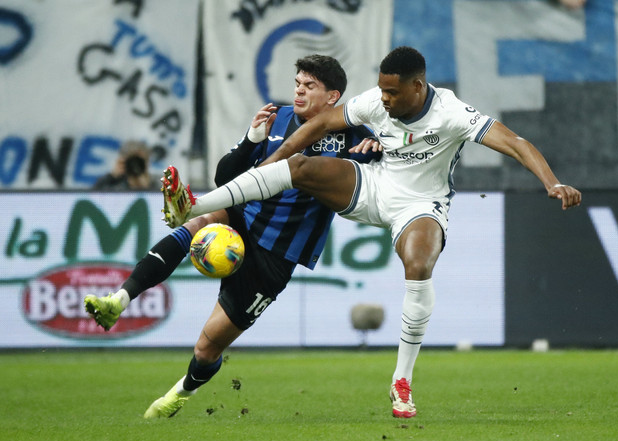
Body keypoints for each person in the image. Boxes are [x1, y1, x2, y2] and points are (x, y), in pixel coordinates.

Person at [161, 46, 582, 418]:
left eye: (392, 92)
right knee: (300, 168)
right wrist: (271, 162)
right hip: (374, 186)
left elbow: (517, 143)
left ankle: (401, 381)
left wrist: (551, 182)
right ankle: (193, 205)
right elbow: (319, 126)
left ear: (418, 87)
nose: (383, 99)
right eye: (381, 90)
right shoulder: (375, 102)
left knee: (418, 262)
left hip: (421, 203)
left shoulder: (452, 113)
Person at [83, 54, 381, 419]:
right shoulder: (278, 119)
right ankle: (119, 299)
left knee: (208, 347)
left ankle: (181, 392)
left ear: (333, 96)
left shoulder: (353, 134)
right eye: (298, 84)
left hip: (276, 256)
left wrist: (375, 152)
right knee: (197, 223)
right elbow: (225, 178)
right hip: (242, 217)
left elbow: (378, 176)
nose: (299, 91)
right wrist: (249, 139)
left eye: (310, 86)